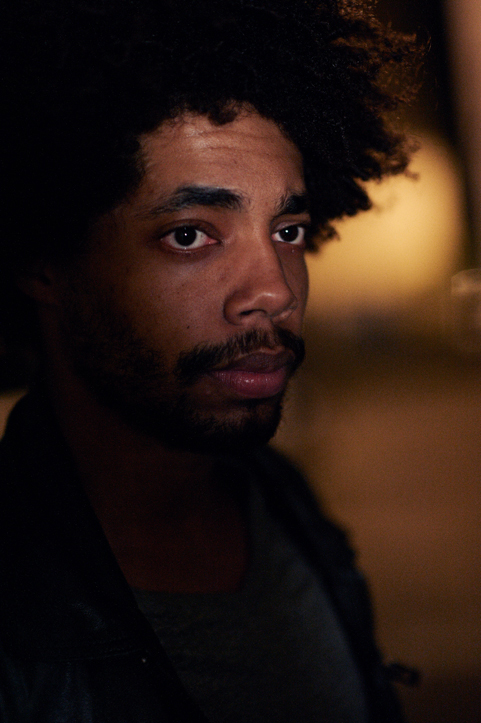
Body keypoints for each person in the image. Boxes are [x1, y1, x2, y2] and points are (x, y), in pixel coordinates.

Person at [0, 1, 420, 721]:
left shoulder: (285, 504)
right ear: (45, 262)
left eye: (287, 230)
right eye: (190, 235)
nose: (274, 291)